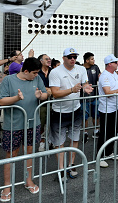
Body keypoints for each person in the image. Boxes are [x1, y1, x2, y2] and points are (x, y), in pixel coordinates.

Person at [0, 57, 47, 200]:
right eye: (34, 73)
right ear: (26, 71)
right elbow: (1, 101)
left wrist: (41, 96)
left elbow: (45, 94)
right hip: (13, 124)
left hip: (33, 122)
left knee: (29, 151)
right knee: (11, 154)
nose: (36, 75)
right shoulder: (8, 80)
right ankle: (7, 185)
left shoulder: (37, 79)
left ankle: (28, 180)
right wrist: (16, 98)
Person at [49, 48, 92, 179]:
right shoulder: (55, 72)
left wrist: (86, 88)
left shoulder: (81, 69)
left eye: (74, 56)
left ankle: (71, 164)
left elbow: (85, 83)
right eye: (69, 57)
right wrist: (72, 90)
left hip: (76, 109)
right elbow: (55, 93)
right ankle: (61, 169)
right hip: (59, 112)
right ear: (63, 58)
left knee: (75, 139)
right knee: (59, 142)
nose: (72, 59)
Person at [82, 52, 101, 140]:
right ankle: (85, 132)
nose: (94, 60)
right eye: (92, 59)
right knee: (84, 116)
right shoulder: (81, 69)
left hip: (95, 95)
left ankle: (96, 131)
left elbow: (99, 77)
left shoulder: (95, 67)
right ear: (87, 60)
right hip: (84, 97)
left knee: (96, 115)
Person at [36, 54, 52, 151]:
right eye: (46, 59)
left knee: (53, 123)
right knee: (41, 123)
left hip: (53, 101)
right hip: (41, 103)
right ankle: (42, 142)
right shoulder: (37, 73)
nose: (49, 60)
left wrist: (50, 90)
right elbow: (36, 86)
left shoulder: (53, 72)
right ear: (41, 61)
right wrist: (47, 89)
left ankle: (51, 141)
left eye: (49, 59)